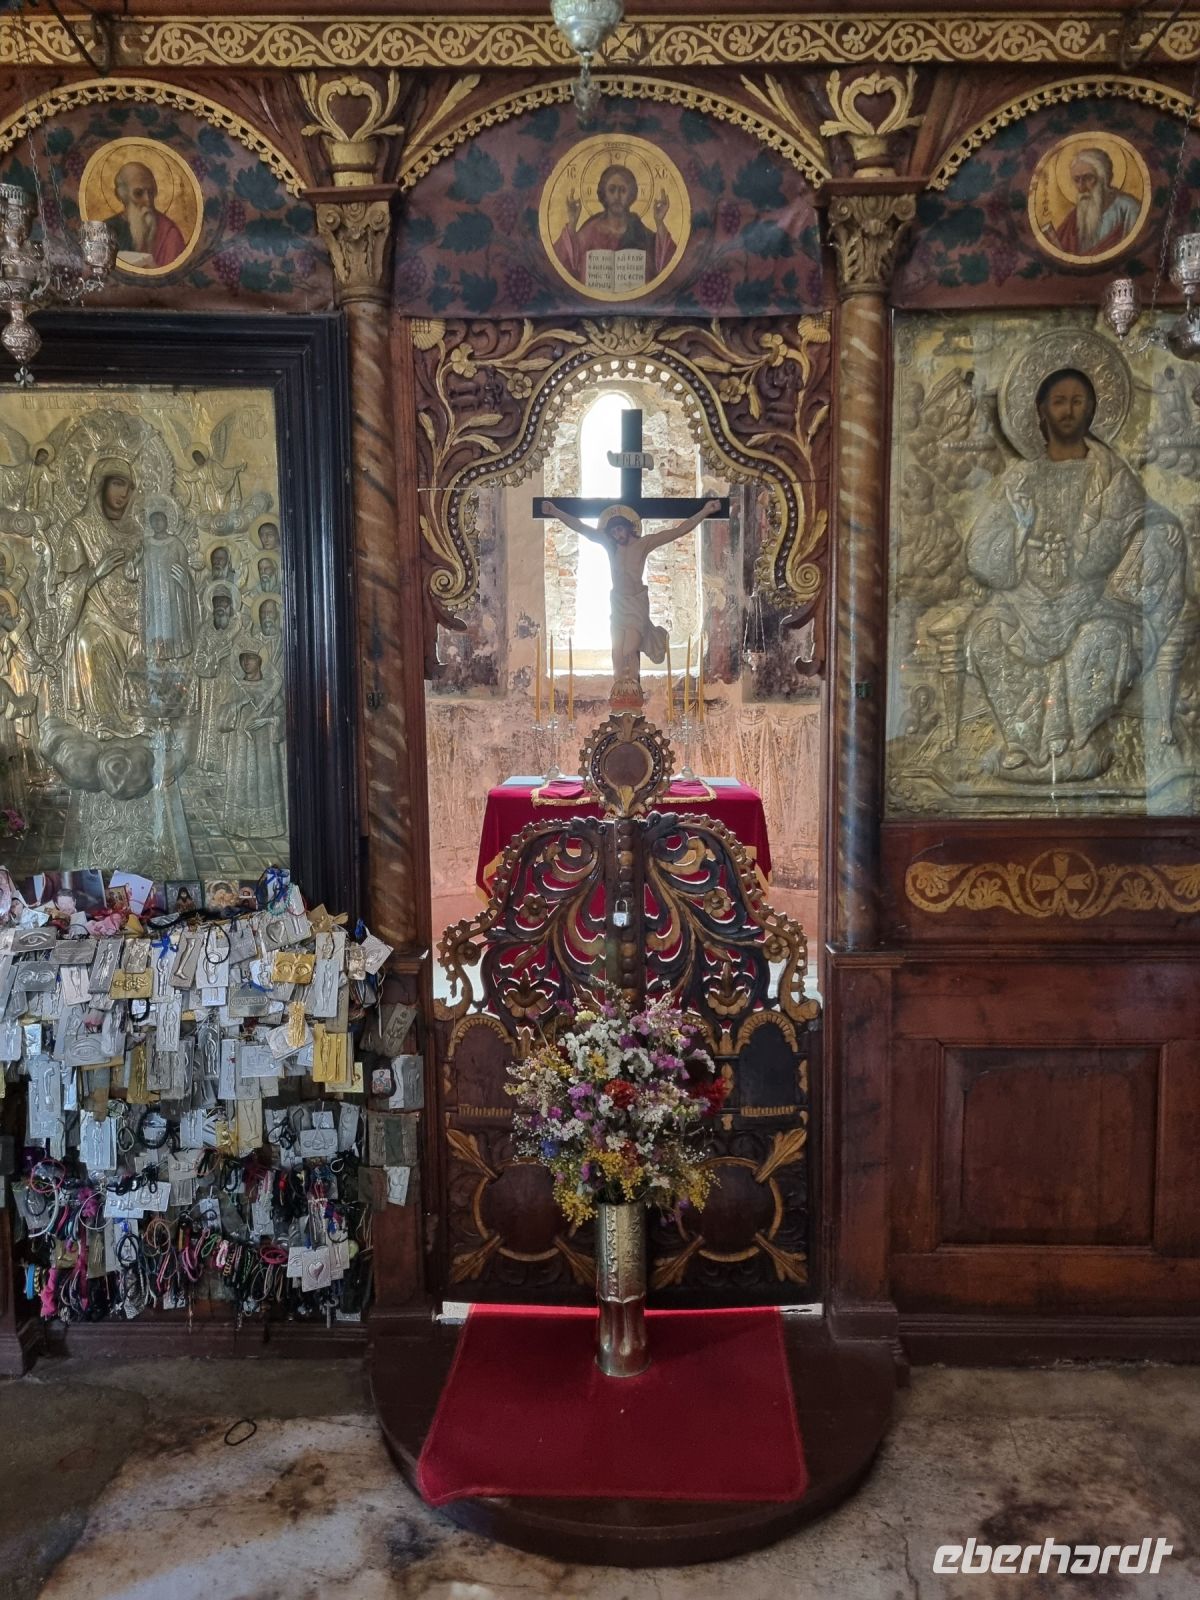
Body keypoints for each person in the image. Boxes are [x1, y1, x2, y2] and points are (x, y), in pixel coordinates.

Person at [963, 367, 1185, 777]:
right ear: (1041, 411)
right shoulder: (1021, 477)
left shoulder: (1111, 476)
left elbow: (1147, 521)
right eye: (1059, 401)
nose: (1068, 410)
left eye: (1078, 401)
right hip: (1023, 602)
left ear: (1093, 410)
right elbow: (980, 554)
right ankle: (1022, 743)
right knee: (986, 636)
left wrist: (1163, 535)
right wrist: (1020, 528)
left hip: (1092, 602)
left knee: (1102, 639)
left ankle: (1077, 743)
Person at [543, 498, 721, 698]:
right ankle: (621, 697)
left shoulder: (644, 544)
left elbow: (678, 531)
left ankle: (634, 693)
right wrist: (555, 512)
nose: (617, 535)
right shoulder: (610, 546)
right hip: (618, 603)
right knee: (616, 655)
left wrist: (705, 511)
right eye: (613, 532)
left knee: (629, 651)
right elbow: (581, 527)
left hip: (636, 603)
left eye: (620, 530)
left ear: (629, 527)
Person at [50, 457, 143, 735]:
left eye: (128, 486)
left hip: (133, 617)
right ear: (99, 486)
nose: (123, 493)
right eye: (117, 483)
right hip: (94, 618)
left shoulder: (137, 534)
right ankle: (103, 720)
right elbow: (64, 590)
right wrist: (95, 572)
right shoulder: (78, 529)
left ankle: (141, 719)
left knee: (145, 644)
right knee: (87, 642)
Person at [553, 164, 676, 290]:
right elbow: (562, 264)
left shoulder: (640, 231)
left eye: (623, 190)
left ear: (631, 195)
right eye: (612, 190)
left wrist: (659, 222)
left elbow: (666, 264)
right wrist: (572, 223)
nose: (617, 196)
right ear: (604, 194)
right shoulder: (590, 231)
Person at [219, 649, 285, 839]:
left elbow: (282, 714)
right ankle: (239, 825)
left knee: (263, 779)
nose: (246, 662)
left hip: (264, 748)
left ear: (260, 661)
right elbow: (220, 718)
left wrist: (268, 721)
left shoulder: (270, 688)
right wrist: (236, 705)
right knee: (242, 781)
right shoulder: (235, 687)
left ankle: (266, 827)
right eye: (243, 659)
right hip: (240, 746)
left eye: (251, 658)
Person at [1048, 148, 1141, 257]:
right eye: (1077, 180)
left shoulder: (1129, 208)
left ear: (1104, 178)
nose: (1081, 187)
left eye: (1088, 178)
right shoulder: (1076, 216)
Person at [106, 161, 186, 270]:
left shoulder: (169, 232)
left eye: (151, 192)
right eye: (138, 193)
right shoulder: (106, 229)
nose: (148, 200)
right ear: (122, 195)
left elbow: (174, 278)